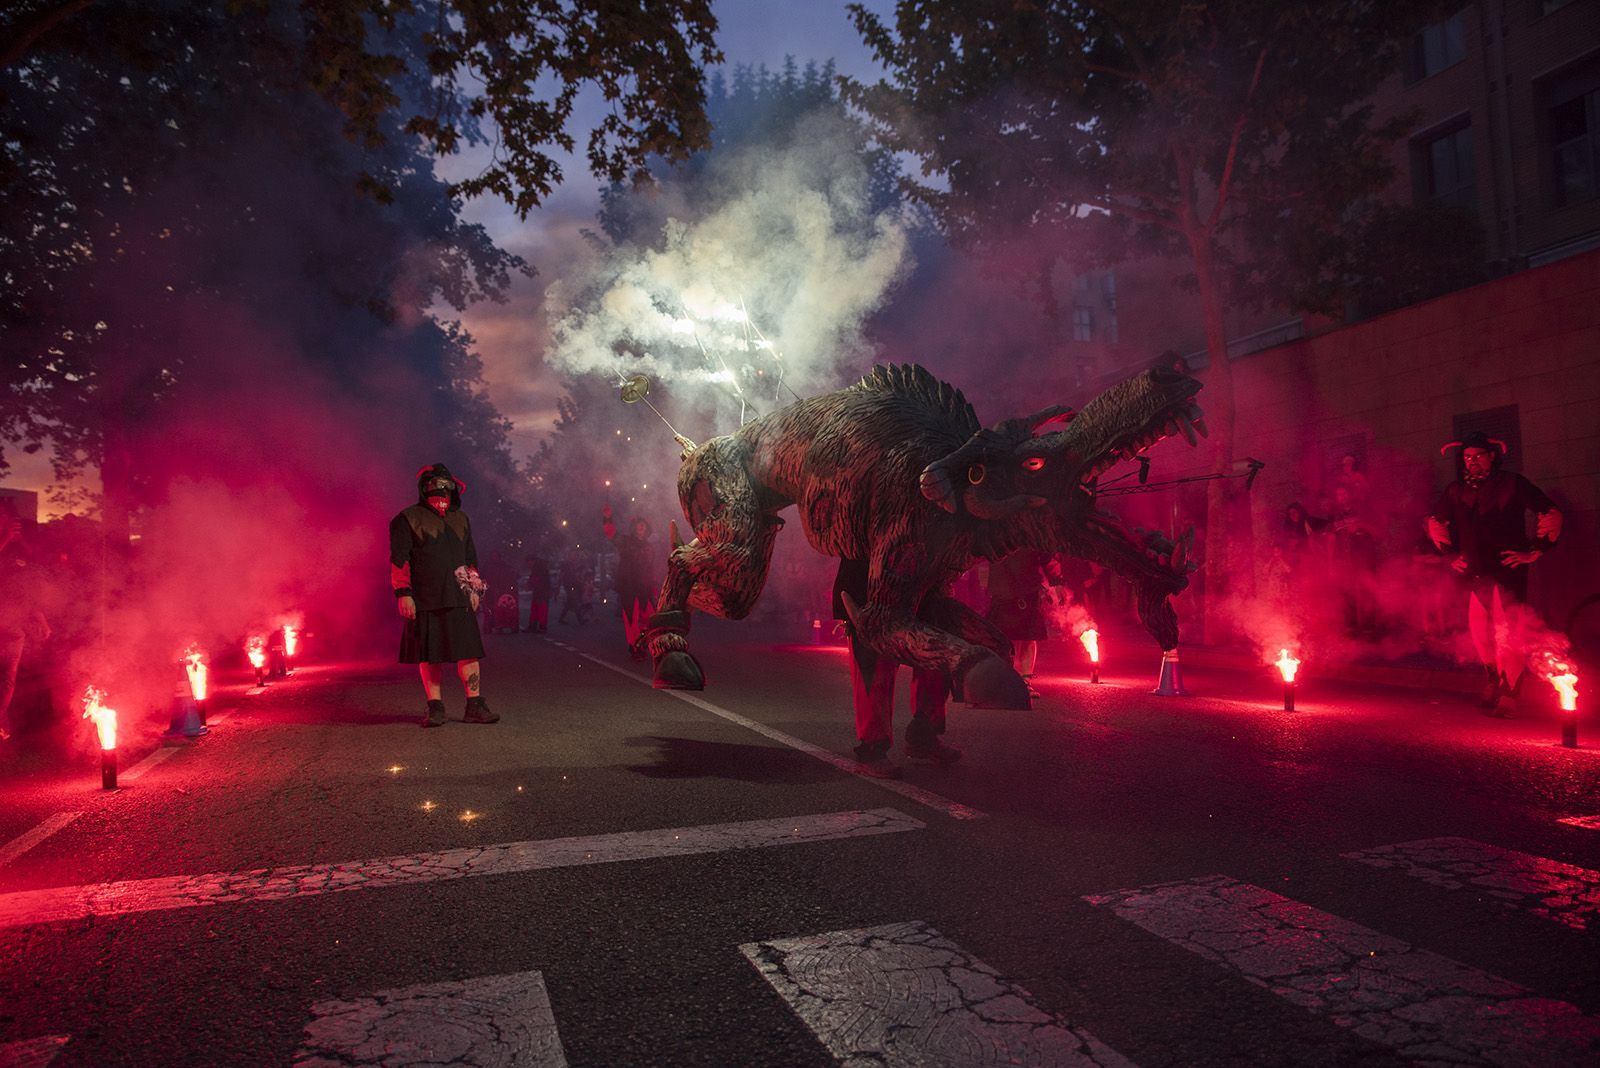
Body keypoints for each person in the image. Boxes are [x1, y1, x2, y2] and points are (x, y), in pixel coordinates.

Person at [1426, 432, 1562, 714]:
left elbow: (1549, 512)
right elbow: (1436, 521)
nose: (1471, 461)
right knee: (1479, 630)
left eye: (1477, 456)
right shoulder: (1456, 489)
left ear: (1491, 457)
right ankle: (1493, 682)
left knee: (1507, 629)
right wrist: (1450, 555)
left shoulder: (1512, 483)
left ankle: (1510, 693)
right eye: (1467, 457)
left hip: (1506, 568)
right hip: (1475, 569)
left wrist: (1535, 550)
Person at [390, 463, 498, 728]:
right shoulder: (407, 518)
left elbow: (470, 557)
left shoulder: (461, 519)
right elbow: (399, 560)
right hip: (426, 597)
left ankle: (474, 705)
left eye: (447, 484)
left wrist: (473, 589)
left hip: (459, 597)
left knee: (469, 652)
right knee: (431, 655)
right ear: (425, 486)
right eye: (436, 483)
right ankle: (435, 707)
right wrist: (403, 593)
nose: (442, 489)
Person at [833, 558, 960, 779]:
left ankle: (924, 737)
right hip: (869, 591)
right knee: (875, 671)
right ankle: (872, 750)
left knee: (935, 661)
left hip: (922, 589)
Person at [984, 549, 1059, 696]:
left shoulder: (1032, 530)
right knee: (1002, 638)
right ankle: (1003, 681)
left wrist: (1057, 582)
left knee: (1028, 636)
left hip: (1027, 588)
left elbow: (1047, 554)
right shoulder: (994, 528)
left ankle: (1024, 682)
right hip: (1003, 589)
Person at [0, 511, 47, 743]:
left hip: (13, 624)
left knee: (8, 677)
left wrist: (40, 619)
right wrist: (7, 538)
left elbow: (28, 587)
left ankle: (1, 723)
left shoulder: (19, 551)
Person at [612, 517, 658, 621]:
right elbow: (612, 535)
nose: (642, 526)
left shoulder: (649, 547)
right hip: (629, 588)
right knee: (632, 622)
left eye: (644, 524)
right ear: (634, 527)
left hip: (645, 589)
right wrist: (607, 517)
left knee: (648, 620)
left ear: (647, 528)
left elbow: (650, 569)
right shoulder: (626, 541)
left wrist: (654, 588)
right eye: (639, 524)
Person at [521, 550, 552, 633]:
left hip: (541, 591)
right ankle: (535, 626)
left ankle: (540, 626)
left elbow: (537, 579)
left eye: (528, 562)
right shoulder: (540, 568)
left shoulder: (538, 569)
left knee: (540, 609)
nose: (528, 565)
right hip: (540, 591)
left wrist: (530, 585)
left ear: (532, 561)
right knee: (537, 609)